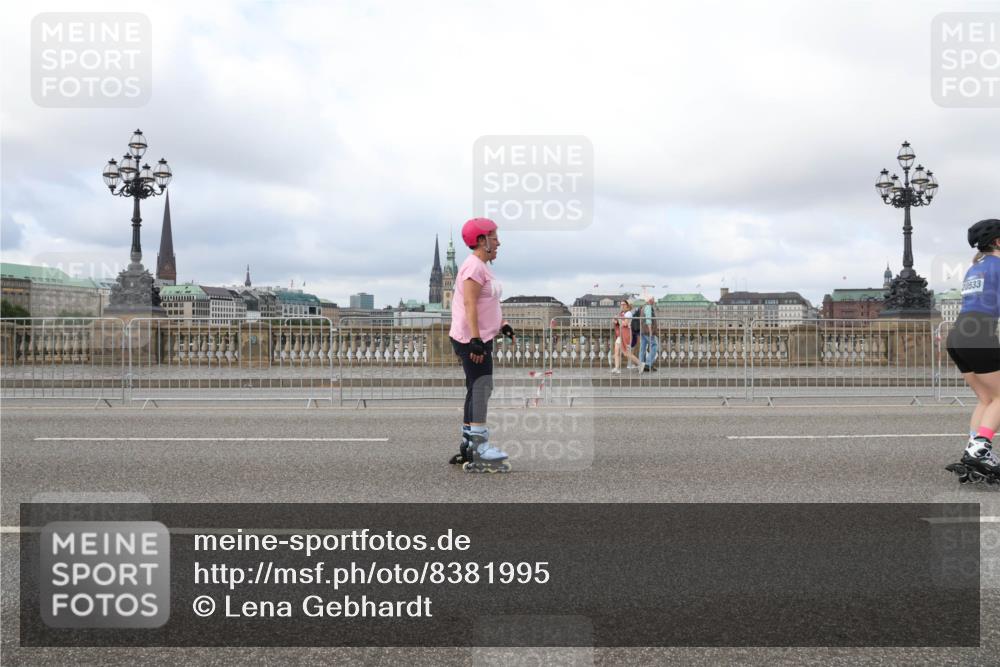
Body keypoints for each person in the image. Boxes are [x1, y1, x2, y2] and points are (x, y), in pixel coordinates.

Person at [447, 217, 515, 473]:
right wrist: (475, 340)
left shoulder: (482, 266)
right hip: (472, 339)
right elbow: (469, 304)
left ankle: (468, 444)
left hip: (481, 336)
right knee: (481, 389)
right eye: (494, 237)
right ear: (481, 240)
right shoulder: (473, 267)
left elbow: (489, 303)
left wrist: (502, 323)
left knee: (476, 389)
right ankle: (479, 448)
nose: (499, 242)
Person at [945, 218, 1000, 483]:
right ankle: (980, 450)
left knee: (987, 399)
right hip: (979, 335)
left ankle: (973, 450)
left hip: (958, 335)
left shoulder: (975, 268)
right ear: (998, 242)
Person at [612, 298, 642, 373]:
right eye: (621, 304)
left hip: (625, 334)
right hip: (620, 334)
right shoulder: (622, 313)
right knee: (616, 351)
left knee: (626, 353)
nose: (622, 306)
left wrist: (618, 319)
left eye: (624, 304)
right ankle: (616, 368)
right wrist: (615, 321)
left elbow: (625, 323)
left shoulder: (628, 313)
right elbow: (618, 322)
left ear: (627, 305)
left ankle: (640, 364)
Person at [639, 295, 659, 372]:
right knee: (654, 346)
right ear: (650, 300)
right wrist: (650, 331)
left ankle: (641, 365)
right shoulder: (648, 307)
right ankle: (647, 364)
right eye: (653, 300)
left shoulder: (643, 307)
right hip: (647, 331)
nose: (654, 301)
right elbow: (648, 320)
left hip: (643, 331)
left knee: (642, 348)